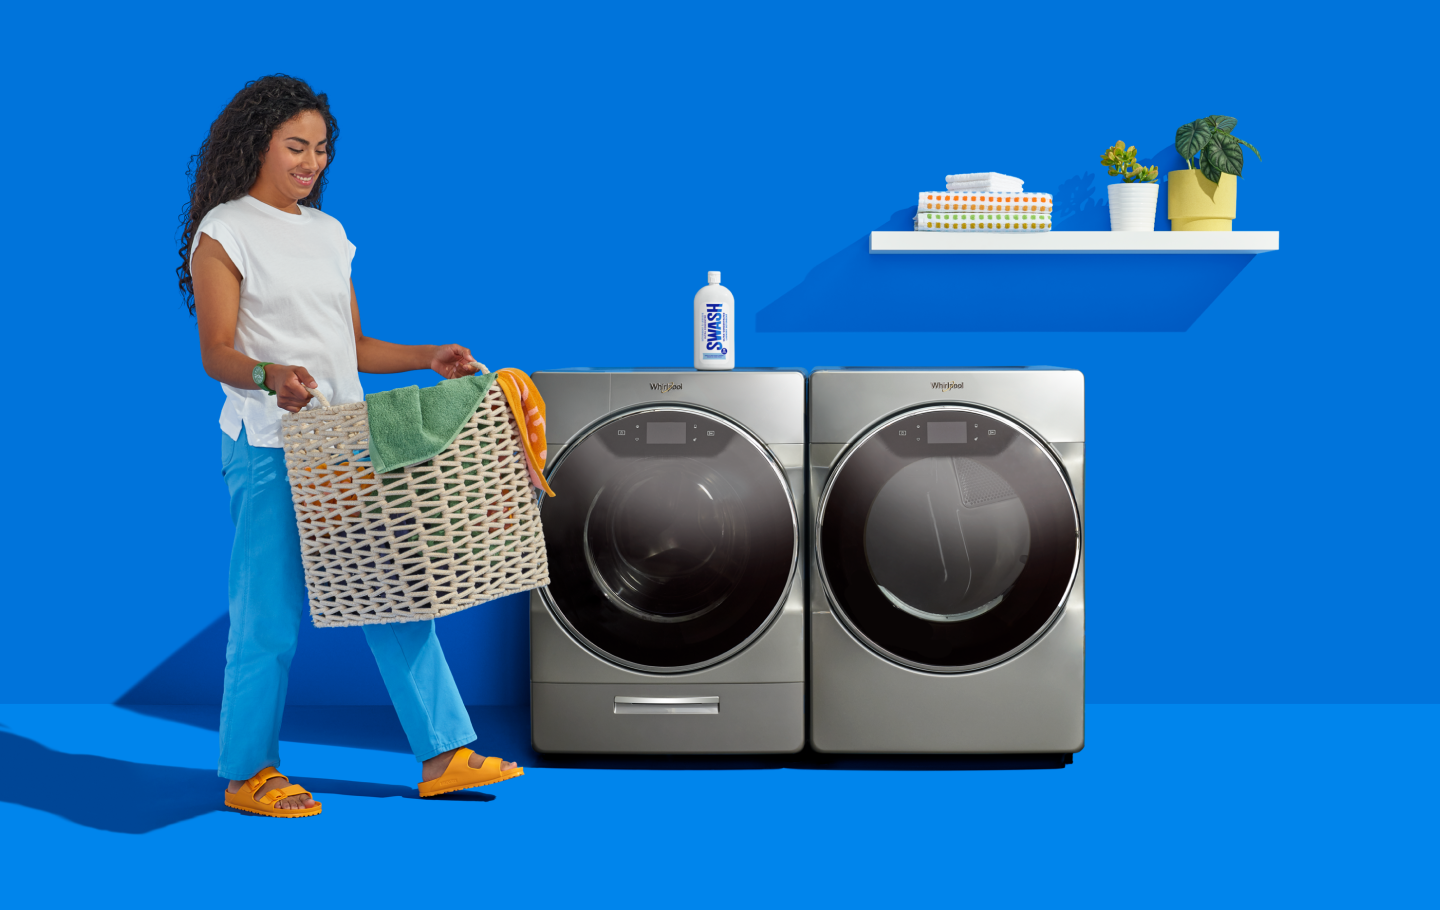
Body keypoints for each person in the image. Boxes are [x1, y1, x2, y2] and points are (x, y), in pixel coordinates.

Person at [179, 74, 522, 818]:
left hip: (343, 446)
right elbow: (217, 353)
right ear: (256, 145)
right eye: (296, 146)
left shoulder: (330, 235)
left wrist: (429, 355)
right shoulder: (224, 230)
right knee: (267, 613)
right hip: (269, 444)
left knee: (394, 592)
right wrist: (272, 376)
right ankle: (248, 774)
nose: (311, 162)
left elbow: (353, 345)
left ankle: (445, 755)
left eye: (322, 149)